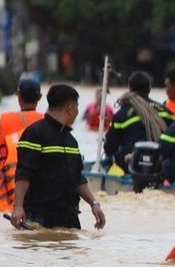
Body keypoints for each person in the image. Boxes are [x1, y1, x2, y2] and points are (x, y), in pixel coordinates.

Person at [9, 83, 106, 230]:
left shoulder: (70, 140)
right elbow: (24, 174)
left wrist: (94, 204)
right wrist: (17, 207)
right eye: (77, 107)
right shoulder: (35, 133)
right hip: (39, 216)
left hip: (70, 217)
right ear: (70, 108)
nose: (77, 112)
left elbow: (78, 179)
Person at [0, 75, 44, 211]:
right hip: (40, 196)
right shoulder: (46, 123)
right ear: (40, 97)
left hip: (7, 197)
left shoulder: (4, 122)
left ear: (19, 97)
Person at [103, 70, 174, 170]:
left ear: (130, 88)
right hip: (159, 164)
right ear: (149, 88)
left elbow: (110, 147)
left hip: (129, 164)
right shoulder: (167, 113)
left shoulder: (121, 115)